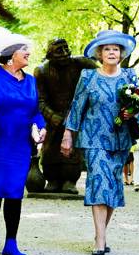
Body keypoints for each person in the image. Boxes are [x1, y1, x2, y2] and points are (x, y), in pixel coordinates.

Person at [61, 29, 138, 255]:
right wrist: (68, 134)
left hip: (121, 139)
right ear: (99, 53)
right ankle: (100, 239)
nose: (112, 52)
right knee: (99, 183)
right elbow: (77, 106)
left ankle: (101, 233)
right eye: (107, 49)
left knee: (113, 186)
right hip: (94, 139)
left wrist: (133, 113)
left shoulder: (129, 76)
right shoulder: (88, 76)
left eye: (116, 49)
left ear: (121, 53)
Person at [0, 35, 46, 255]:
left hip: (20, 146)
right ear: (10, 54)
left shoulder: (31, 81)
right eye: (24, 49)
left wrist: (41, 126)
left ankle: (11, 242)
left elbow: (35, 111)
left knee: (15, 193)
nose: (28, 52)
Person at [34, 38, 97, 193]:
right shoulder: (42, 71)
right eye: (59, 50)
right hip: (52, 117)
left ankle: (70, 180)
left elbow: (100, 72)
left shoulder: (81, 64)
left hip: (74, 114)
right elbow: (40, 99)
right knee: (50, 149)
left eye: (66, 48)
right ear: (50, 55)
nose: (64, 53)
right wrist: (52, 116)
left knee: (73, 149)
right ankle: (53, 179)